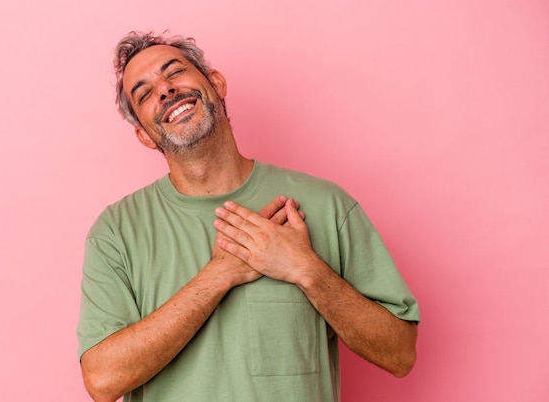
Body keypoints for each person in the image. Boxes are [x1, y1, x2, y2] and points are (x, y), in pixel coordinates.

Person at [77, 30, 420, 402]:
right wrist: (219, 275)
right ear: (144, 135)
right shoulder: (116, 232)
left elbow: (400, 354)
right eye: (145, 93)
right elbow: (102, 380)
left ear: (216, 83)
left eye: (174, 72)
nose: (165, 90)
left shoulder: (326, 204)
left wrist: (306, 269)